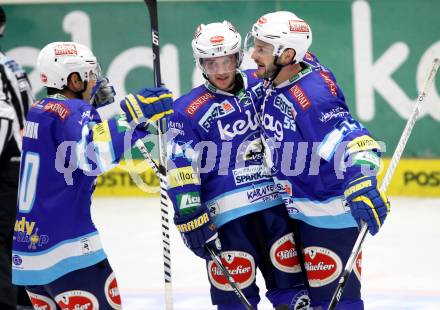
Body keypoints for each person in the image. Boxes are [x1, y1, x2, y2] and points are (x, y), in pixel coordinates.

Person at [244, 11, 391, 309]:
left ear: (286, 54)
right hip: (295, 207)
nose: (253, 54)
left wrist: (361, 179)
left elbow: (351, 140)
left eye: (261, 49)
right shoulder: (284, 70)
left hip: (327, 215)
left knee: (336, 304)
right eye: (255, 45)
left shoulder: (313, 97)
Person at [11, 41, 173, 309]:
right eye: (89, 74)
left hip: (29, 254)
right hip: (68, 251)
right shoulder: (75, 111)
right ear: (73, 79)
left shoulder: (39, 110)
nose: (95, 80)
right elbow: (94, 157)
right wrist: (132, 118)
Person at [167, 21, 310, 309]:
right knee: (235, 303)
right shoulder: (186, 110)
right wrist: (188, 211)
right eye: (210, 62)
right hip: (226, 222)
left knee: (294, 295)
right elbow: (180, 165)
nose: (219, 70)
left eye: (226, 60)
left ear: (238, 58)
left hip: (275, 210)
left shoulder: (265, 83)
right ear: (200, 63)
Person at [0, 6, 34, 309]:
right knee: (14, 245)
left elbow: (5, 116)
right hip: (20, 165)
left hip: (6, 167)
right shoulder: (9, 63)